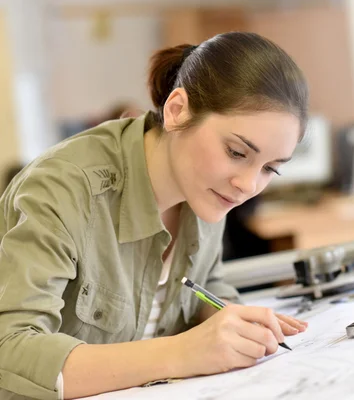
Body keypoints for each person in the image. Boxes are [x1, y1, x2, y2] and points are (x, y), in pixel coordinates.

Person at [0, 32, 309, 400]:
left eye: (270, 169)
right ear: (178, 111)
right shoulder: (63, 189)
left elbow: (202, 290)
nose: (247, 185)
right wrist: (184, 352)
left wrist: (235, 324)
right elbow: (10, 351)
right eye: (237, 152)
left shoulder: (209, 188)